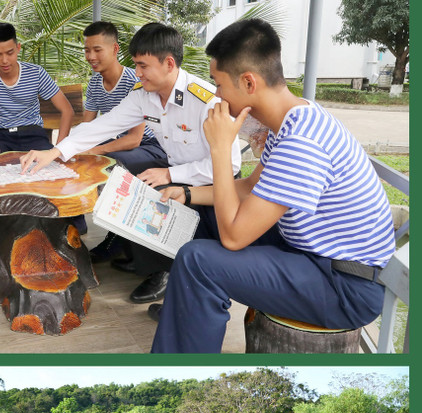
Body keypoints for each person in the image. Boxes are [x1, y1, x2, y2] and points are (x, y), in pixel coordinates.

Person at [147, 19, 395, 352]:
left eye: (219, 85)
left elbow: (234, 237)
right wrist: (189, 193)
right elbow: (250, 187)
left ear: (248, 82)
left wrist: (220, 149)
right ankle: (188, 318)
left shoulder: (303, 142)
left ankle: (182, 368)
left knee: (198, 262)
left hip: (343, 285)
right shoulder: (294, 119)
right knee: (201, 217)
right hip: (311, 253)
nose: (216, 97)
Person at [20, 22, 241, 308]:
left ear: (169, 63)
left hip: (212, 182)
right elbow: (103, 125)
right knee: (134, 186)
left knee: (164, 203)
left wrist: (170, 174)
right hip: (178, 172)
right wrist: (55, 152)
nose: (136, 73)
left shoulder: (205, 100)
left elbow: (228, 164)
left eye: (142, 65)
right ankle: (153, 264)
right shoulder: (144, 95)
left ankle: (173, 283)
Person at [77, 22, 170, 264]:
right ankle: (74, 224)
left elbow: (134, 138)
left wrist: (94, 150)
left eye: (97, 50)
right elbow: (87, 128)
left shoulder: (134, 81)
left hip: (148, 148)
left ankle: (116, 239)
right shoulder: (96, 83)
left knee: (113, 166)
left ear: (115, 48)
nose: (91, 56)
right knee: (78, 161)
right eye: (87, 50)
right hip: (117, 146)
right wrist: (75, 148)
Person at [0, 22, 74, 157]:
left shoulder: (36, 73)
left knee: (51, 168)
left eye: (10, 53)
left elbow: (67, 110)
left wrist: (58, 150)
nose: (5, 60)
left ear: (18, 48)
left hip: (34, 135)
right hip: (0, 137)